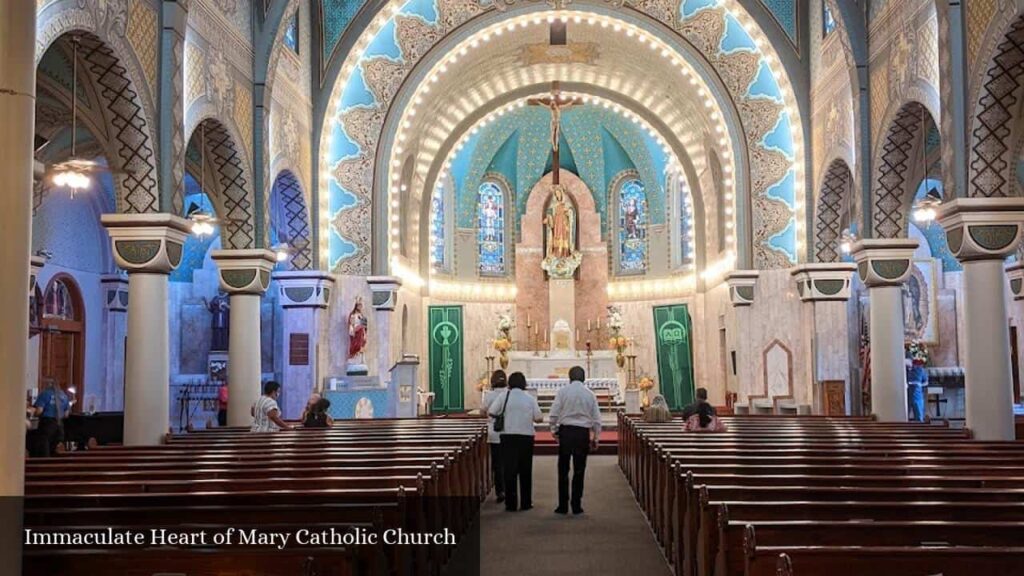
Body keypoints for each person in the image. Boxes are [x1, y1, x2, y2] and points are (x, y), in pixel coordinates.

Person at [549, 365, 602, 515]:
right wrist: (596, 437)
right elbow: (597, 419)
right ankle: (576, 505)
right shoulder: (590, 394)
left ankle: (562, 505)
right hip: (581, 434)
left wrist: (553, 430)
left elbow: (553, 414)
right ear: (583, 378)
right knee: (579, 470)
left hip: (566, 432)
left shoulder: (563, 392)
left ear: (570, 377)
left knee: (563, 470)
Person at [488, 371, 543, 512]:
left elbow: (492, 411)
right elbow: (539, 418)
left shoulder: (504, 396)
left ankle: (511, 504)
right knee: (525, 470)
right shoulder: (529, 398)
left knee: (509, 470)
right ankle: (526, 503)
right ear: (524, 383)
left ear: (510, 383)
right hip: (526, 436)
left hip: (508, 436)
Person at [481, 370, 508, 503]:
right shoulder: (509, 394)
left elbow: (483, 411)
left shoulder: (489, 395)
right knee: (508, 462)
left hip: (494, 431)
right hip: (508, 431)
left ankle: (500, 491)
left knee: (497, 463)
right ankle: (509, 489)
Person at [32, 380, 73, 456]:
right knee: (56, 451)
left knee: (44, 448)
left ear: (49, 385)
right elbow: (66, 414)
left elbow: (39, 411)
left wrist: (33, 413)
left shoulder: (45, 394)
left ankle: (45, 465)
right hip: (60, 425)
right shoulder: (64, 395)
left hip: (47, 424)